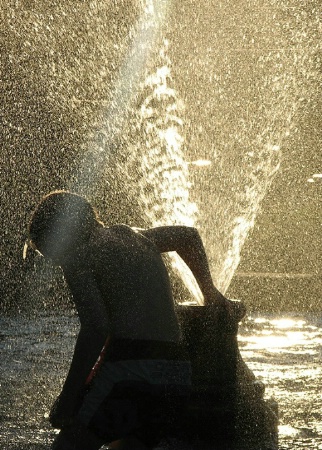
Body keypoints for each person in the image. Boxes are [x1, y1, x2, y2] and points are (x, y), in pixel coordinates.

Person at [27, 190, 232, 450]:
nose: (55, 262)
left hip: (131, 372)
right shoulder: (137, 236)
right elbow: (188, 236)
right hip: (177, 376)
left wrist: (67, 399)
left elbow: (96, 328)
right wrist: (210, 291)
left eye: (49, 253)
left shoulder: (77, 258)